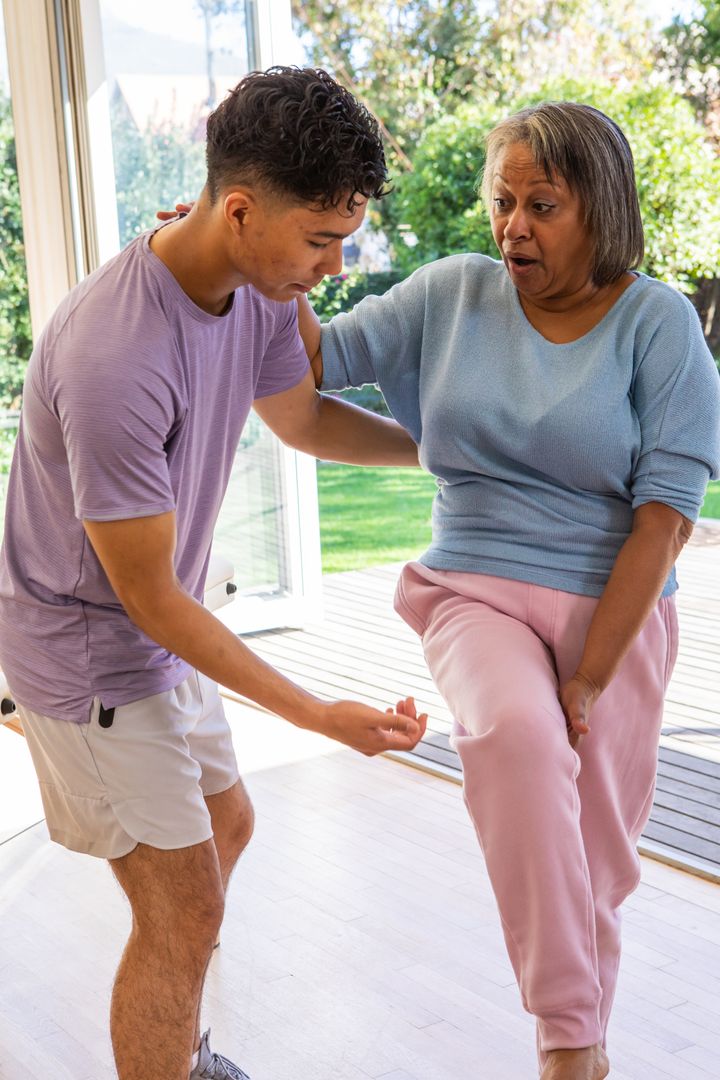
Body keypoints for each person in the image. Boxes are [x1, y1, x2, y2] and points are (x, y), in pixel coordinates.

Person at [0, 67, 428, 1080]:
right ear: (241, 210)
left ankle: (175, 1019)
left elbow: (305, 419)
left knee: (224, 827)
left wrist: (436, 450)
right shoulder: (115, 354)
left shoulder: (257, 286)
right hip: (88, 656)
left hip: (151, 634)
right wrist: (318, 712)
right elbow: (147, 596)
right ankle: (173, 1038)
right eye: (321, 240)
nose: (334, 266)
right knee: (185, 906)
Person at [297, 101, 720, 1080]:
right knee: (512, 736)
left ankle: (582, 1044)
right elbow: (315, 361)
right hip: (475, 589)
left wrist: (592, 675)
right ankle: (570, 1045)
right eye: (503, 202)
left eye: (542, 204)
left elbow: (665, 518)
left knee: (595, 871)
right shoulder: (450, 296)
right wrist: (266, 257)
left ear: (600, 210)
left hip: (613, 608)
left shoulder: (658, 328)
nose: (513, 226)